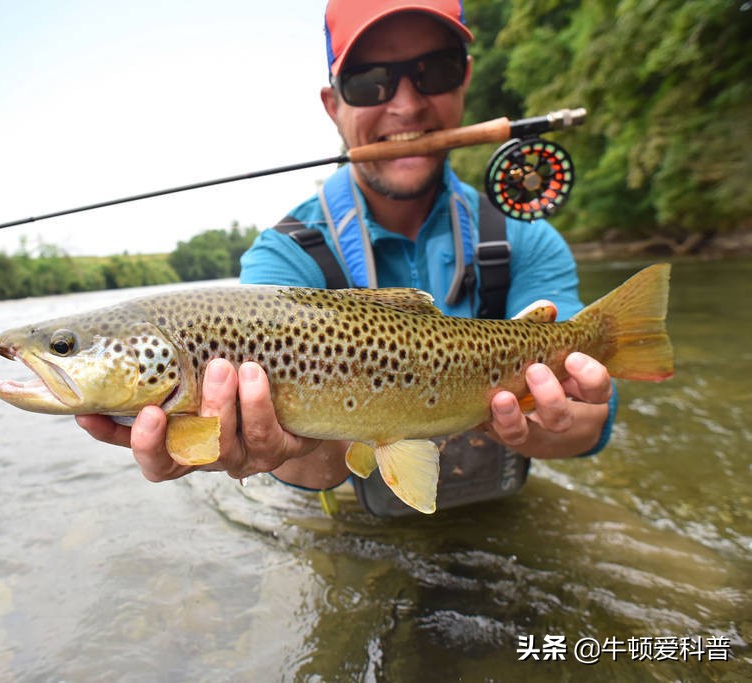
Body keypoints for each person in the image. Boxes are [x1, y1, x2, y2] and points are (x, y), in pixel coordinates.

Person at [77, 0, 616, 516]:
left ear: (466, 79)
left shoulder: (527, 239)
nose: (405, 104)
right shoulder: (284, 258)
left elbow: (591, 422)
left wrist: (558, 418)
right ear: (333, 104)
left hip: (502, 511)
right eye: (370, 81)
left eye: (434, 71)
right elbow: (295, 470)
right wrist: (278, 451)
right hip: (349, 525)